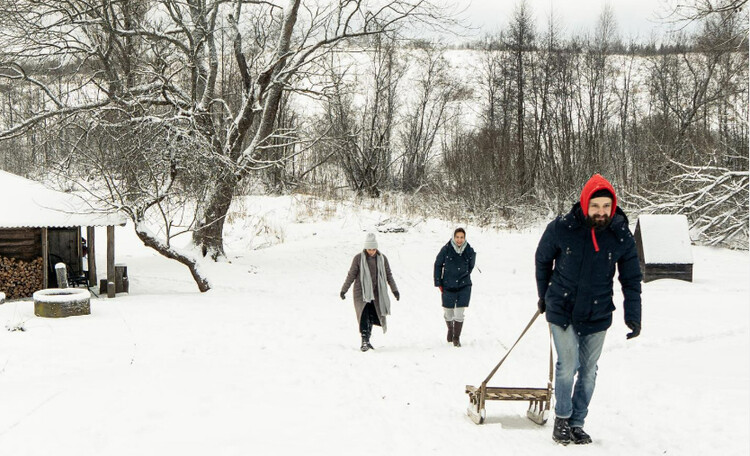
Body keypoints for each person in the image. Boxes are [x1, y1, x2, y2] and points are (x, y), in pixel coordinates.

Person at [535, 173, 642, 445]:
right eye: (596, 206)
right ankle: (562, 417)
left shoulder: (620, 235)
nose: (601, 212)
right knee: (567, 365)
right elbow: (542, 260)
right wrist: (544, 295)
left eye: (606, 206)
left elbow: (630, 279)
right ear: (585, 204)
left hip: (598, 312)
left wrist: (633, 315)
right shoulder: (562, 228)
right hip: (562, 307)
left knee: (589, 370)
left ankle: (577, 422)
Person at [340, 233, 400, 352]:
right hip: (361, 292)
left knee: (372, 316)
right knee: (364, 315)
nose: (371, 251)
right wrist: (344, 289)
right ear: (365, 248)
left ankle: (367, 340)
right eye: (369, 249)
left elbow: (388, 275)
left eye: (373, 249)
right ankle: (364, 341)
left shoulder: (382, 259)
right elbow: (351, 275)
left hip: (377, 293)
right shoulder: (358, 258)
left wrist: (395, 290)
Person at [433, 227, 476, 347]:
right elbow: (438, 264)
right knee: (448, 312)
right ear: (453, 237)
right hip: (448, 284)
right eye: (457, 237)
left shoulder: (469, 250)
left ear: (464, 238)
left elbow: (471, 266)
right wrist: (438, 282)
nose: (459, 240)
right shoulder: (446, 249)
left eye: (462, 237)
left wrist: (464, 274)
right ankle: (450, 329)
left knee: (459, 312)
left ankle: (456, 337)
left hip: (464, 285)